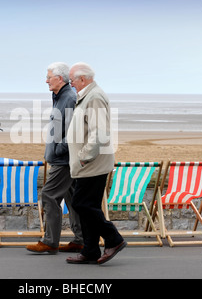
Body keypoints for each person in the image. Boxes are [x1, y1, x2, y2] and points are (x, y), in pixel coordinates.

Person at [66, 62, 126, 265]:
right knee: (87, 205)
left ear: (82, 79)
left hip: (92, 164)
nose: (71, 84)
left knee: (81, 204)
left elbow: (99, 132)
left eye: (72, 80)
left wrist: (84, 156)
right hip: (87, 164)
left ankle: (114, 239)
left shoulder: (94, 97)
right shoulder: (87, 96)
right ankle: (90, 250)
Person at [26, 62, 84, 254]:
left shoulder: (68, 98)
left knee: (49, 196)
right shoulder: (59, 96)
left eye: (49, 77)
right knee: (72, 198)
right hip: (63, 158)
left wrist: (59, 150)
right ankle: (81, 240)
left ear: (60, 78)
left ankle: (50, 242)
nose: (46, 80)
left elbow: (75, 132)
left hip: (64, 160)